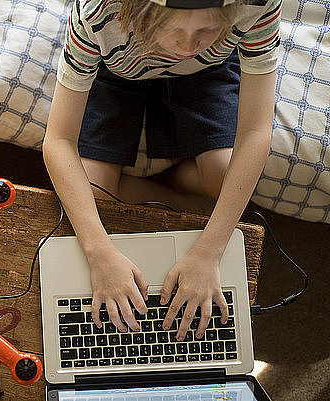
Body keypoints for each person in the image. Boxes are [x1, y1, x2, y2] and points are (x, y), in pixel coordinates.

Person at [42, 0, 280, 341]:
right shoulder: (97, 12)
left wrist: (209, 252)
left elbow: (257, 133)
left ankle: (166, 183)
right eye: (172, 31)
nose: (186, 46)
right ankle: (183, 196)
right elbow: (57, 140)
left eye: (207, 30)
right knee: (94, 194)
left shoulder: (257, 5)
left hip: (206, 72)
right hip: (117, 71)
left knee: (226, 175)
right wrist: (100, 255)